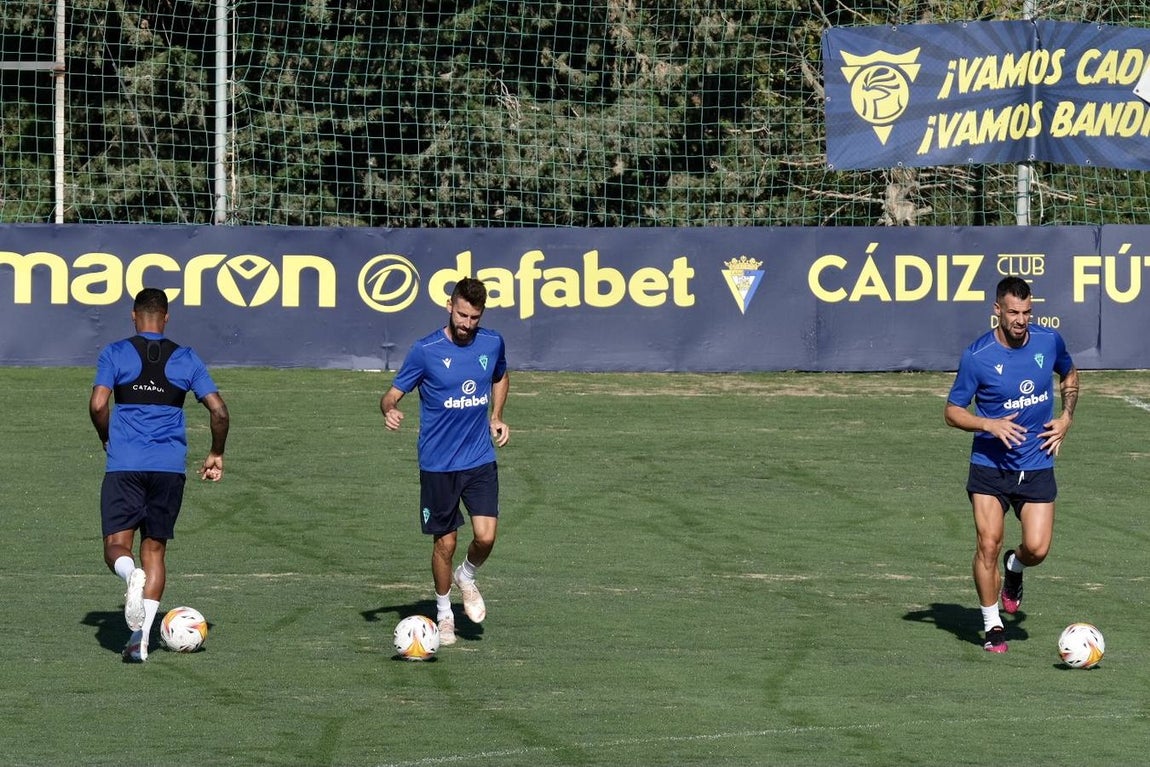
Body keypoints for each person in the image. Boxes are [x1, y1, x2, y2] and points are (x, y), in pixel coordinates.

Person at [89, 288, 230, 662]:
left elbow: (99, 403)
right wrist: (216, 452)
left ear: (134, 316)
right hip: (168, 469)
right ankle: (142, 640)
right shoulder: (186, 358)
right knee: (155, 549)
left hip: (125, 465)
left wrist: (107, 437)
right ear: (165, 318)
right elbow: (219, 412)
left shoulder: (115, 353)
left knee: (116, 546)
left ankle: (128, 575)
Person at [944, 275, 1078, 653]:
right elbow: (952, 412)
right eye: (1014, 312)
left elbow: (1069, 373)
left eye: (1027, 312)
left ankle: (1014, 569)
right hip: (990, 466)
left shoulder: (1048, 341)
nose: (1021, 320)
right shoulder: (977, 356)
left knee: (1037, 549)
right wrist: (988, 423)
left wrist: (1067, 418)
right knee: (987, 543)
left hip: (1036, 462)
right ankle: (992, 627)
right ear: (997, 311)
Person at [380, 277, 509, 646]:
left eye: (475, 317)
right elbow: (390, 396)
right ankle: (444, 613)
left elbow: (500, 375)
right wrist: (389, 411)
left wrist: (496, 416)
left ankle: (466, 577)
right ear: (449, 307)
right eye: (463, 314)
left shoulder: (492, 342)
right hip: (438, 464)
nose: (468, 324)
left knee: (486, 537)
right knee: (445, 544)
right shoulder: (426, 350)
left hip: (479, 458)